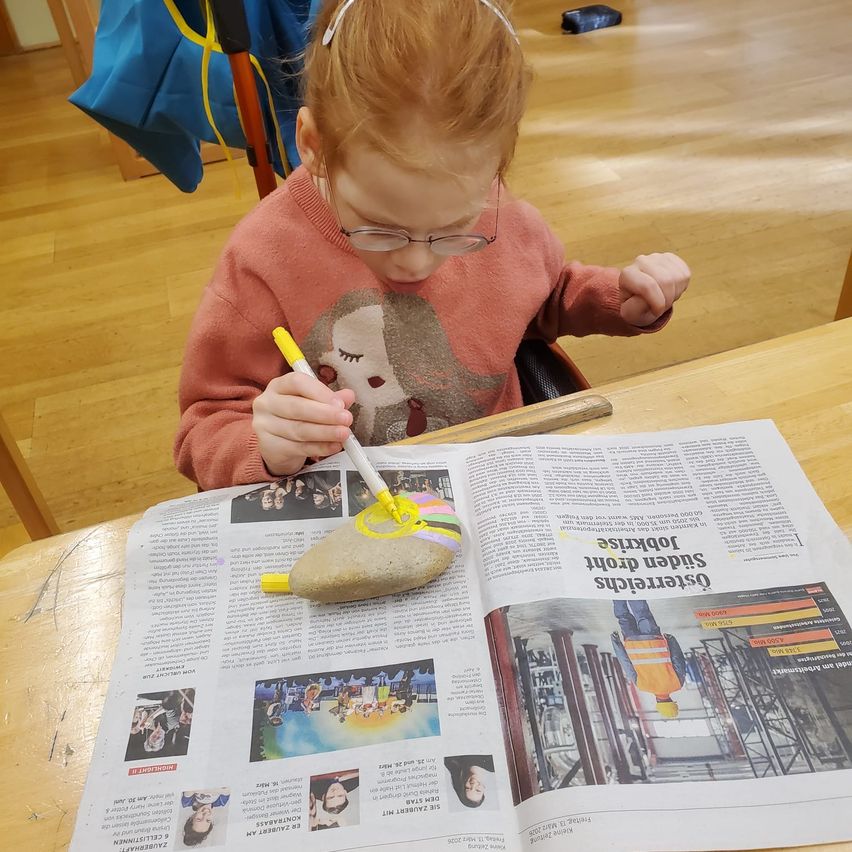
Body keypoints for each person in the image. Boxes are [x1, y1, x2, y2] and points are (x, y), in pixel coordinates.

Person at [174, 0, 691, 491]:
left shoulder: (504, 217)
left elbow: (546, 296)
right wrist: (263, 444)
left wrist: (618, 300)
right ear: (313, 145)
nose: (416, 261)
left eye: (454, 231)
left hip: (498, 479)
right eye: (378, 227)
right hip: (356, 504)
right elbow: (204, 427)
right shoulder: (263, 259)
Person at [610, 600, 686, 719]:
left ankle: (632, 587)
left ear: (672, 701)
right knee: (623, 616)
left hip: (654, 639)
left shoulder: (677, 684)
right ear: (657, 703)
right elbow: (626, 663)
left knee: (642, 613)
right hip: (632, 642)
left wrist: (671, 640)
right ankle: (616, 590)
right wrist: (616, 642)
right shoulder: (642, 686)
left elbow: (678, 659)